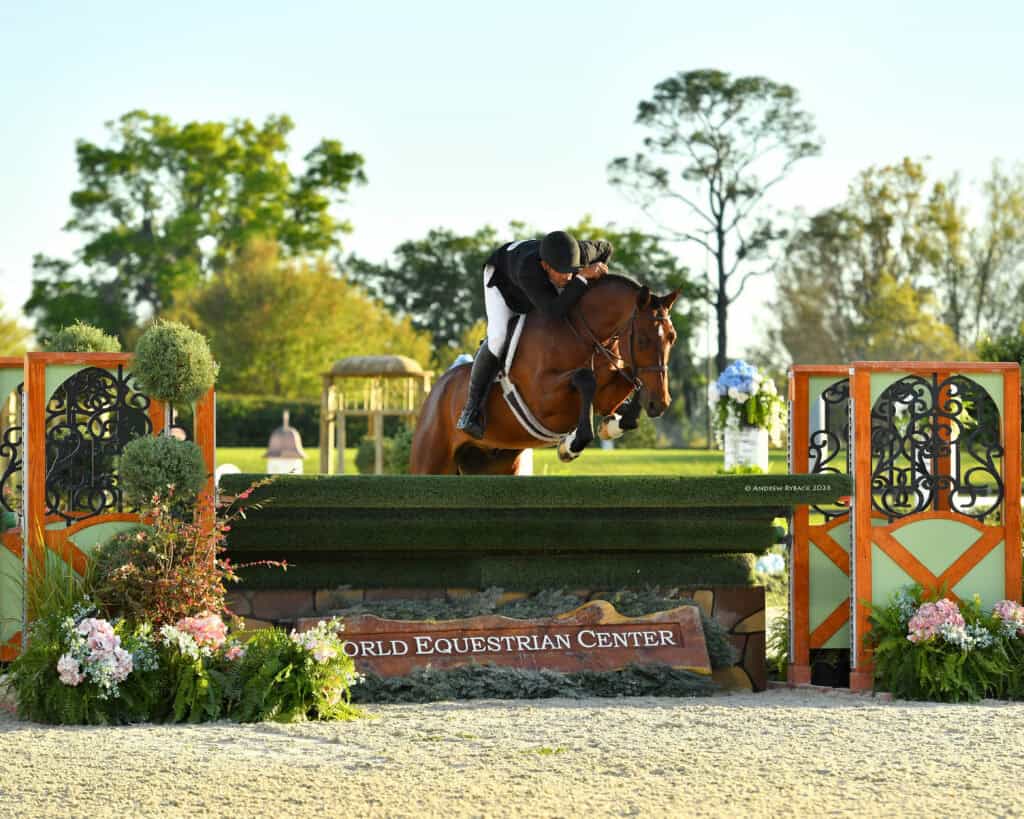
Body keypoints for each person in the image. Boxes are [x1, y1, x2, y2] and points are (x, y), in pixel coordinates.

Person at [456, 230, 613, 439]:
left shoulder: (580, 253)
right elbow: (553, 312)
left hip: (537, 280)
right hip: (503, 282)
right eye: (561, 271)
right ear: (545, 266)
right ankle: (471, 410)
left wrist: (595, 276)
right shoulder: (528, 271)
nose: (567, 276)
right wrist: (582, 278)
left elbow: (607, 249)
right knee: (498, 338)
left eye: (571, 270)